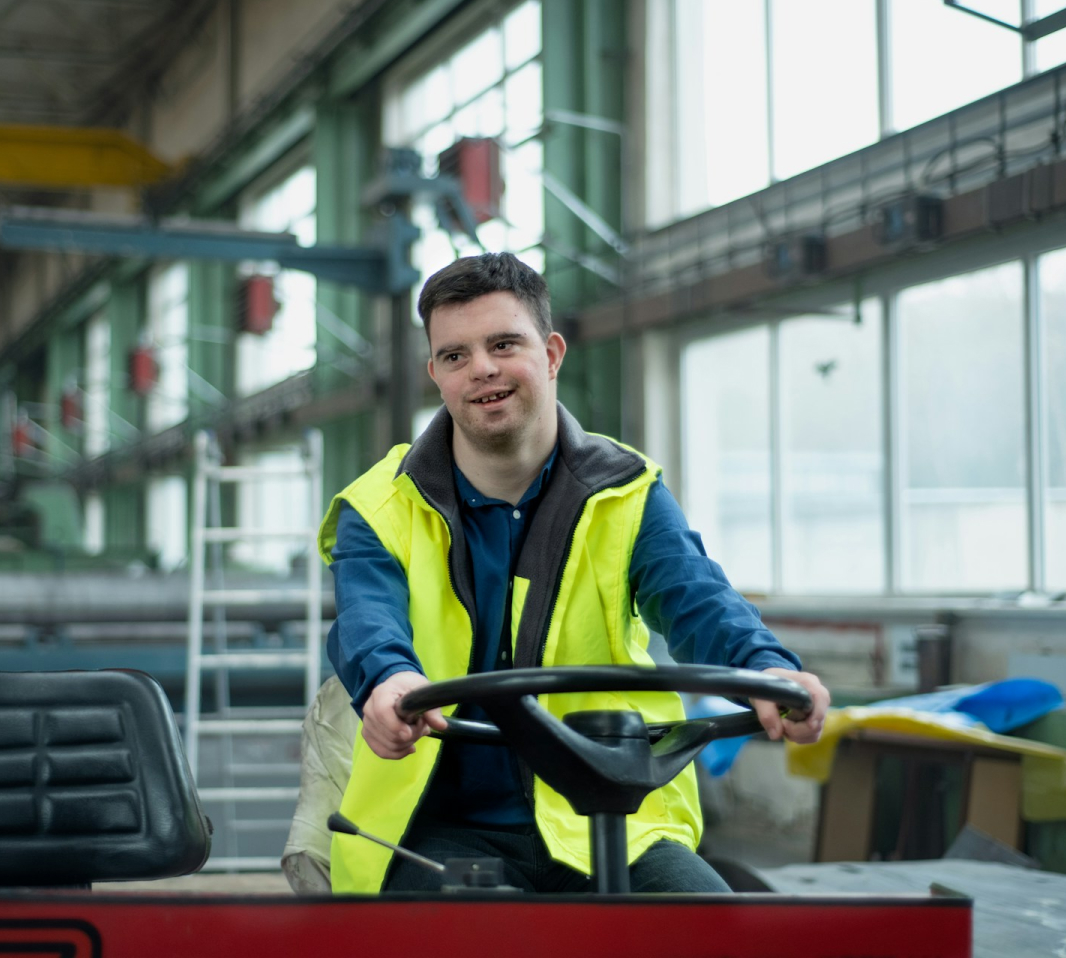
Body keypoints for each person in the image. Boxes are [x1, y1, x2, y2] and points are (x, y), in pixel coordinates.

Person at [317, 252, 830, 895]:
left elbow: (697, 599)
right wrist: (391, 679)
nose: (481, 368)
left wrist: (767, 668)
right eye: (455, 355)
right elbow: (369, 617)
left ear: (553, 353)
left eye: (504, 343)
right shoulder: (378, 506)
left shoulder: (628, 492)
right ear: (437, 374)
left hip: (610, 815)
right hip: (442, 823)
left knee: (712, 926)